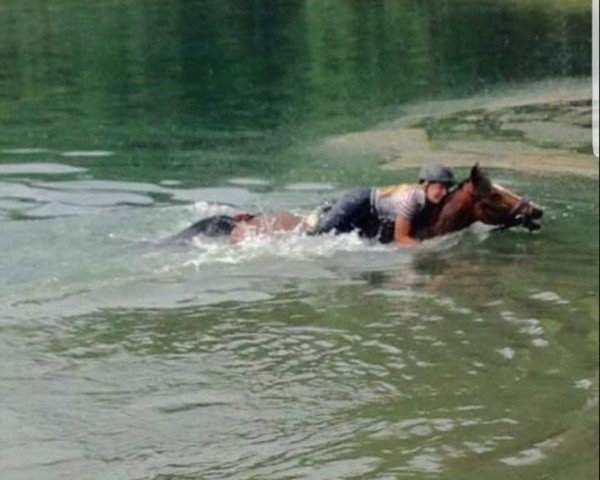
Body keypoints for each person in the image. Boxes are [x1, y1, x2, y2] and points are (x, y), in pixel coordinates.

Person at [308, 164, 456, 245]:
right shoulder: (411, 200)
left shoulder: (425, 198)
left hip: (371, 210)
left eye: (446, 188)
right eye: (440, 187)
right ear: (426, 185)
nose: (444, 193)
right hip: (357, 203)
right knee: (317, 237)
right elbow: (401, 238)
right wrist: (427, 249)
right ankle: (316, 218)